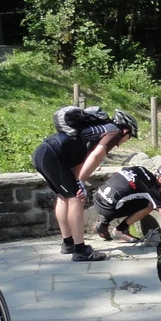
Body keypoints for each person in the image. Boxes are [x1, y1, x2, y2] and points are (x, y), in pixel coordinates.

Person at [31, 109, 139, 262]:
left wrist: (76, 179)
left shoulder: (95, 132)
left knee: (64, 197)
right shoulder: (114, 132)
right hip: (53, 156)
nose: (126, 140)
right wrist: (79, 182)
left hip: (44, 154)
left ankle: (68, 243)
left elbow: (80, 162)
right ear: (126, 130)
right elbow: (95, 157)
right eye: (130, 137)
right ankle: (81, 250)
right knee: (76, 198)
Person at [91, 163, 161, 242]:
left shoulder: (140, 169)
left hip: (97, 197)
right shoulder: (153, 189)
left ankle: (102, 223)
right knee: (149, 204)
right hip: (108, 209)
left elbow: (118, 170)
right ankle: (120, 231)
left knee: (123, 196)